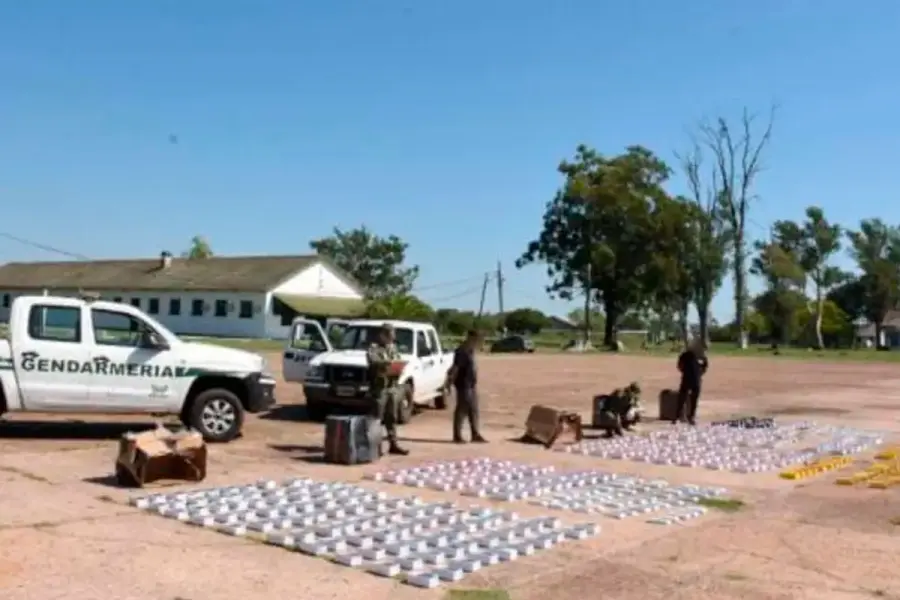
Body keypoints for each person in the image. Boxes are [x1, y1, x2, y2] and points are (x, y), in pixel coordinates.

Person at [366, 323, 409, 456]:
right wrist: (387, 365)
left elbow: (397, 359)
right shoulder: (374, 349)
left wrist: (398, 366)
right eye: (390, 336)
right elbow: (373, 362)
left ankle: (393, 444)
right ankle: (375, 446)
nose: (392, 339)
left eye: (393, 336)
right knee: (377, 418)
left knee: (392, 417)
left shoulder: (392, 348)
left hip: (391, 387)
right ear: (382, 335)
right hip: (379, 389)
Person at [444, 329, 487, 444]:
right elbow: (455, 368)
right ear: (471, 338)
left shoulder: (471, 350)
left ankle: (475, 434)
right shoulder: (462, 351)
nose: (479, 342)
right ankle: (457, 435)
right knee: (462, 409)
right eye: (477, 339)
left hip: (471, 385)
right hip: (463, 385)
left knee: (473, 409)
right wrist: (448, 383)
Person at [675, 338, 709, 425]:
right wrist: (685, 372)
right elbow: (679, 365)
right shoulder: (686, 355)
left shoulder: (702, 356)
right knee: (682, 398)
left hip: (696, 380)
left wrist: (700, 373)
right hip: (686, 379)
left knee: (694, 399)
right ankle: (678, 416)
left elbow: (705, 366)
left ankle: (691, 417)